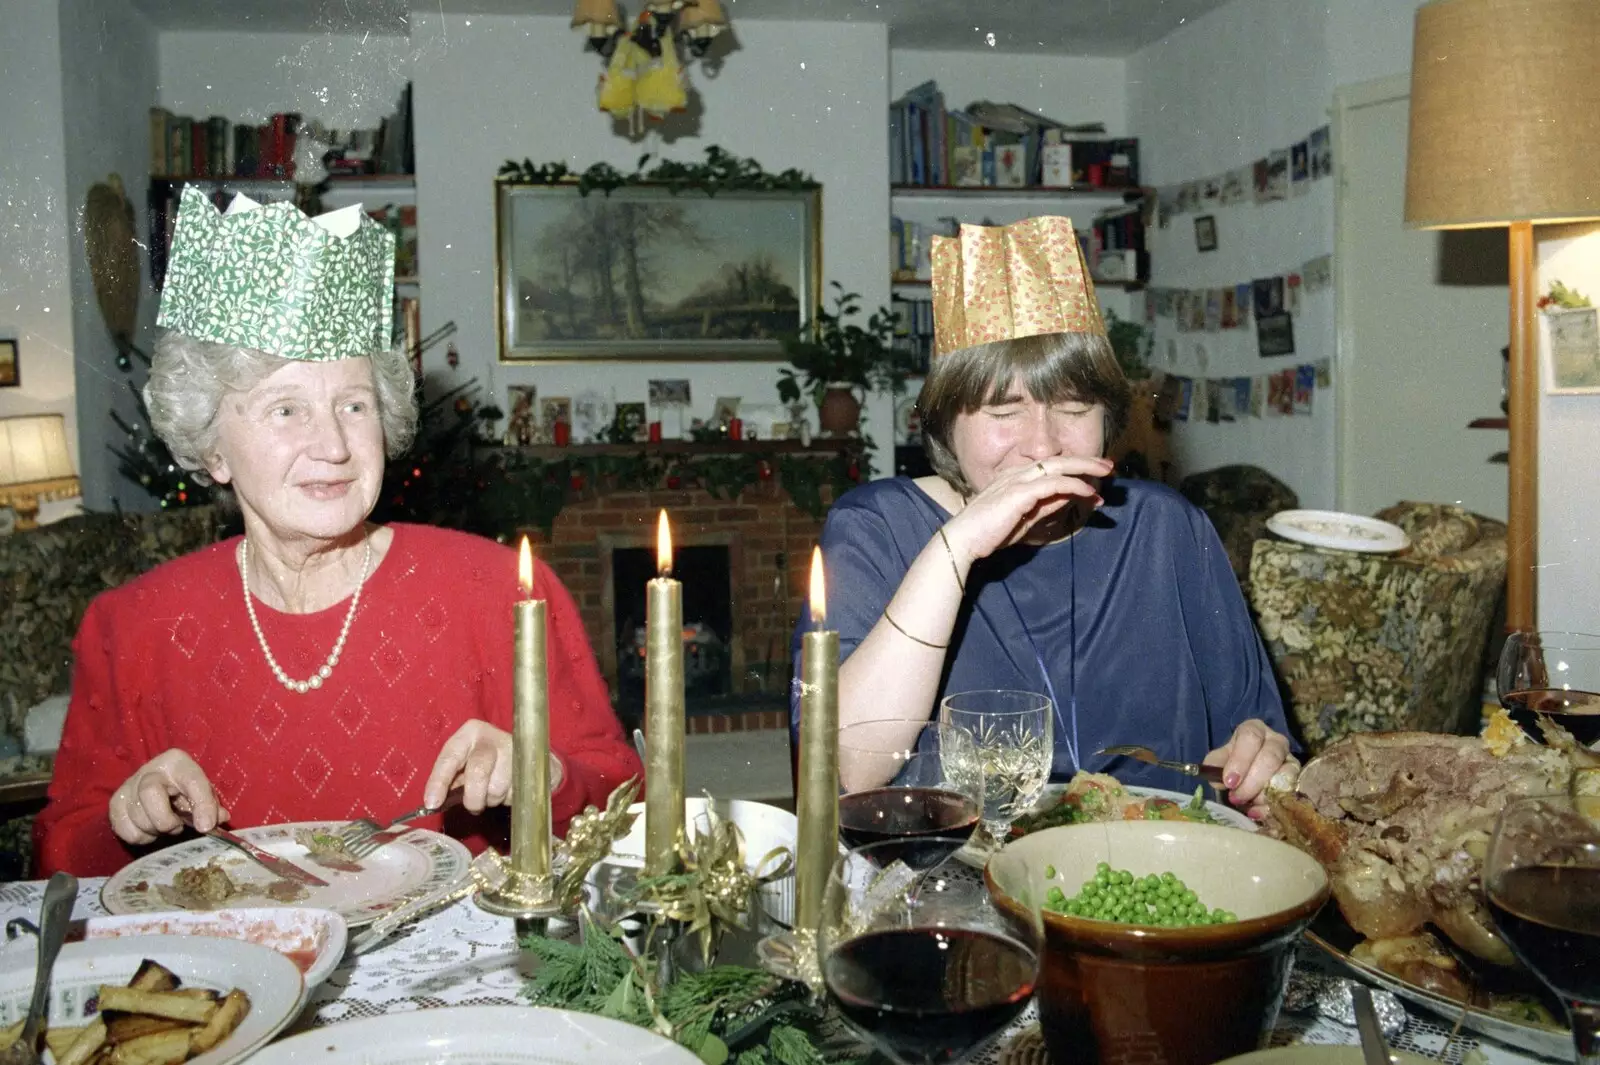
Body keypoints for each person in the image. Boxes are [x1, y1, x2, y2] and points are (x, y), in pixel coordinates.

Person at [35, 188, 640, 877]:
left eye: (353, 403)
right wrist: (127, 821)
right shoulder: (132, 626)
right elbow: (58, 851)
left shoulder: (498, 587)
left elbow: (623, 793)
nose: (333, 443)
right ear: (213, 448)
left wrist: (544, 774)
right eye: (286, 408)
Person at [792, 217, 1294, 815]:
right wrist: (956, 549)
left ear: (1106, 418)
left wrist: (1259, 761)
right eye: (1004, 412)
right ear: (947, 424)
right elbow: (850, 772)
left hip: (1149, 884)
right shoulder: (875, 527)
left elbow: (1250, 736)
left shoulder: (1168, 528)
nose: (1044, 445)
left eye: (1074, 407)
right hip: (953, 881)